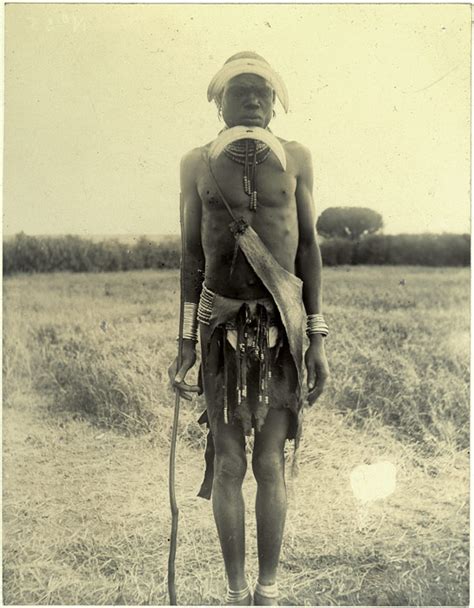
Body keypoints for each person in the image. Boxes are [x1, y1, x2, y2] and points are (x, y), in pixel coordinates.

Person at [170, 51, 330, 606]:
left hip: (282, 327)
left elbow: (308, 247)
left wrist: (318, 337)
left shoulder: (298, 159)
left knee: (269, 462)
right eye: (241, 90)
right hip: (219, 328)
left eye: (263, 90)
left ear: (276, 103)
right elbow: (190, 254)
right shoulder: (196, 163)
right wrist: (186, 341)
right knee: (229, 462)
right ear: (219, 100)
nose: (253, 99)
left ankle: (268, 592)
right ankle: (235, 593)